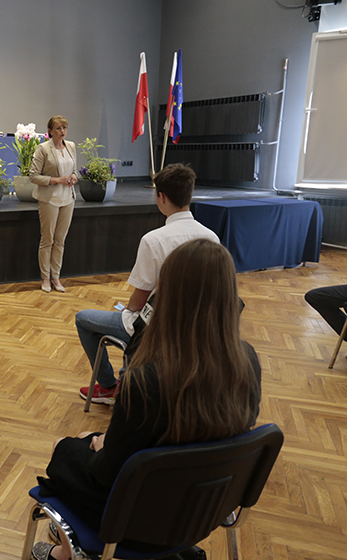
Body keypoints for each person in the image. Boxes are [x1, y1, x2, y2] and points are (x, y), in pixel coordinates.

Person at [30, 239, 262, 560]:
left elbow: (108, 473)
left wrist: (102, 445)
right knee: (89, 442)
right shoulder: (247, 361)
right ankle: (72, 541)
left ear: (169, 295)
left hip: (136, 520)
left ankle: (65, 552)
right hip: (204, 506)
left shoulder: (145, 380)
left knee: (66, 447)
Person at [76, 163, 219, 404]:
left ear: (161, 197)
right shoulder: (211, 237)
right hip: (198, 327)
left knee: (83, 319)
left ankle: (109, 386)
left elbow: (138, 301)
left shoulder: (154, 240)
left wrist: (127, 310)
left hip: (156, 328)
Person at [29, 115, 78, 293]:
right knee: (47, 240)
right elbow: (33, 176)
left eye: (65, 128)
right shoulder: (43, 149)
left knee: (60, 241)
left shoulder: (71, 146)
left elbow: (74, 170)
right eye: (58, 128)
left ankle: (56, 277)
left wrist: (74, 177)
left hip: (68, 199)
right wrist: (57, 180)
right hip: (49, 199)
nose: (62, 131)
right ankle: (45, 278)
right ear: (50, 131)